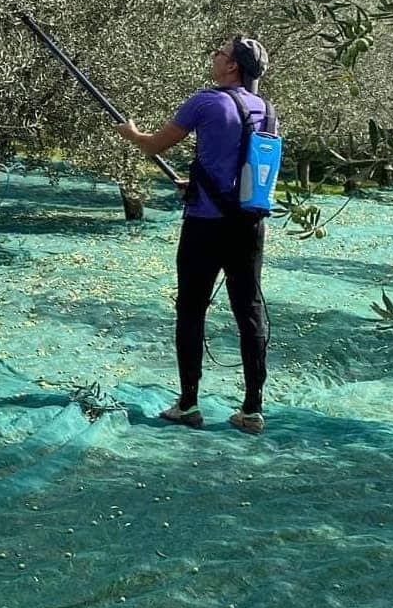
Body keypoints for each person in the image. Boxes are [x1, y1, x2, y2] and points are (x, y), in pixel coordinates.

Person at [117, 34, 275, 435]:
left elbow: (155, 145)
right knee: (249, 310)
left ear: (232, 66)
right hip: (249, 227)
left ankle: (188, 403)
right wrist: (199, 180)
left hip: (205, 225)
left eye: (220, 53)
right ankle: (252, 410)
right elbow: (243, 168)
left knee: (191, 308)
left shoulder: (207, 101)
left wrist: (133, 134)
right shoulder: (266, 110)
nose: (215, 57)